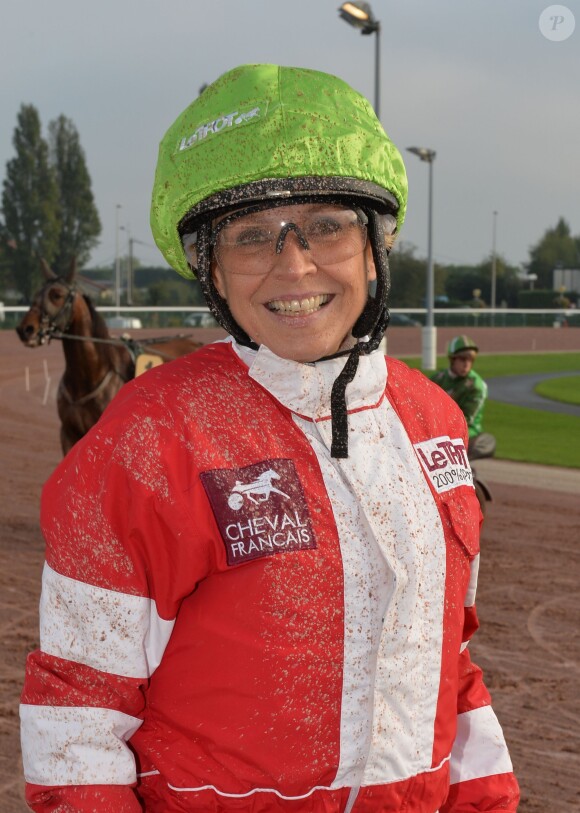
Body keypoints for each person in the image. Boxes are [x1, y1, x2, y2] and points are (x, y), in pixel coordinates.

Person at [20, 64, 519, 812]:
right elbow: (77, 712)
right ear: (213, 273)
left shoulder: (436, 423)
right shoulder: (144, 441)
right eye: (252, 236)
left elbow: (450, 658)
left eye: (325, 225)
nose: (294, 265)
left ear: (374, 246)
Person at [431, 335, 494, 459]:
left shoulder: (477, 386)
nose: (466, 364)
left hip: (467, 431)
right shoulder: (438, 379)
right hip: (437, 427)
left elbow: (466, 420)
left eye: (470, 360)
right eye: (462, 359)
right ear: (452, 360)